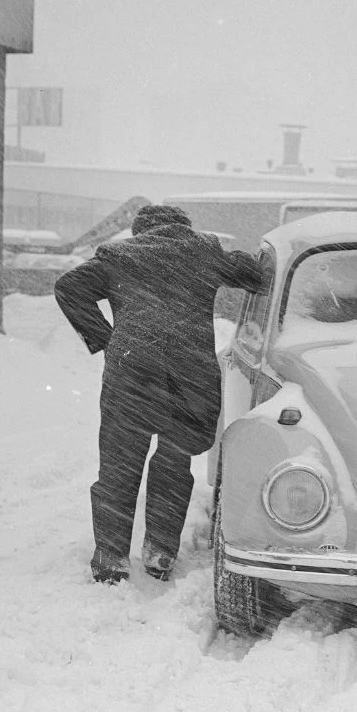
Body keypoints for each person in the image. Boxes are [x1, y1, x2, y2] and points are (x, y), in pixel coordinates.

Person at [55, 204, 263, 584]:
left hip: (133, 371)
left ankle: (111, 555)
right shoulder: (203, 252)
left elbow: (68, 287)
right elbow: (253, 275)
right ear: (183, 228)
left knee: (119, 463)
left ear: (140, 231)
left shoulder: (122, 256)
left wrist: (107, 339)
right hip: (190, 374)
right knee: (173, 459)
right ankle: (160, 550)